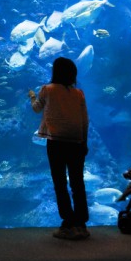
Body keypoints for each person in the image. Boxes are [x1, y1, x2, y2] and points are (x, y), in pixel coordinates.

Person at [29, 56, 90, 240]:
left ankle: (68, 223)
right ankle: (81, 224)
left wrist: (32, 96)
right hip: (77, 142)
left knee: (60, 182)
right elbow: (84, 119)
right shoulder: (79, 93)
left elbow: (36, 109)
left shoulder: (47, 89)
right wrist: (84, 142)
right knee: (77, 183)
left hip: (56, 141)